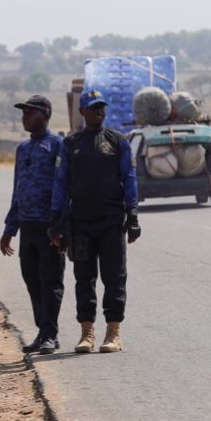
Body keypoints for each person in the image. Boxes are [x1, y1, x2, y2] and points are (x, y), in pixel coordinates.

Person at [50, 88, 141, 354]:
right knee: (84, 277)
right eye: (93, 107)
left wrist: (132, 214)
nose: (99, 111)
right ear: (82, 112)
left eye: (101, 107)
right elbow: (61, 184)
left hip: (112, 220)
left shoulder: (117, 140)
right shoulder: (71, 144)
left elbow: (130, 178)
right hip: (80, 223)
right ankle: (87, 333)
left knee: (114, 277)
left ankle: (113, 332)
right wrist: (57, 220)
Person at [0, 95, 65, 355]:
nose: (24, 117)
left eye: (30, 112)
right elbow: (18, 190)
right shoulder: (23, 149)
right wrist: (9, 229)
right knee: (32, 281)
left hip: (49, 227)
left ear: (45, 114)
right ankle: (43, 331)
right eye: (23, 113)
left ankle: (50, 334)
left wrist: (60, 226)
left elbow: (64, 188)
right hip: (27, 225)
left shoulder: (59, 145)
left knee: (51, 280)